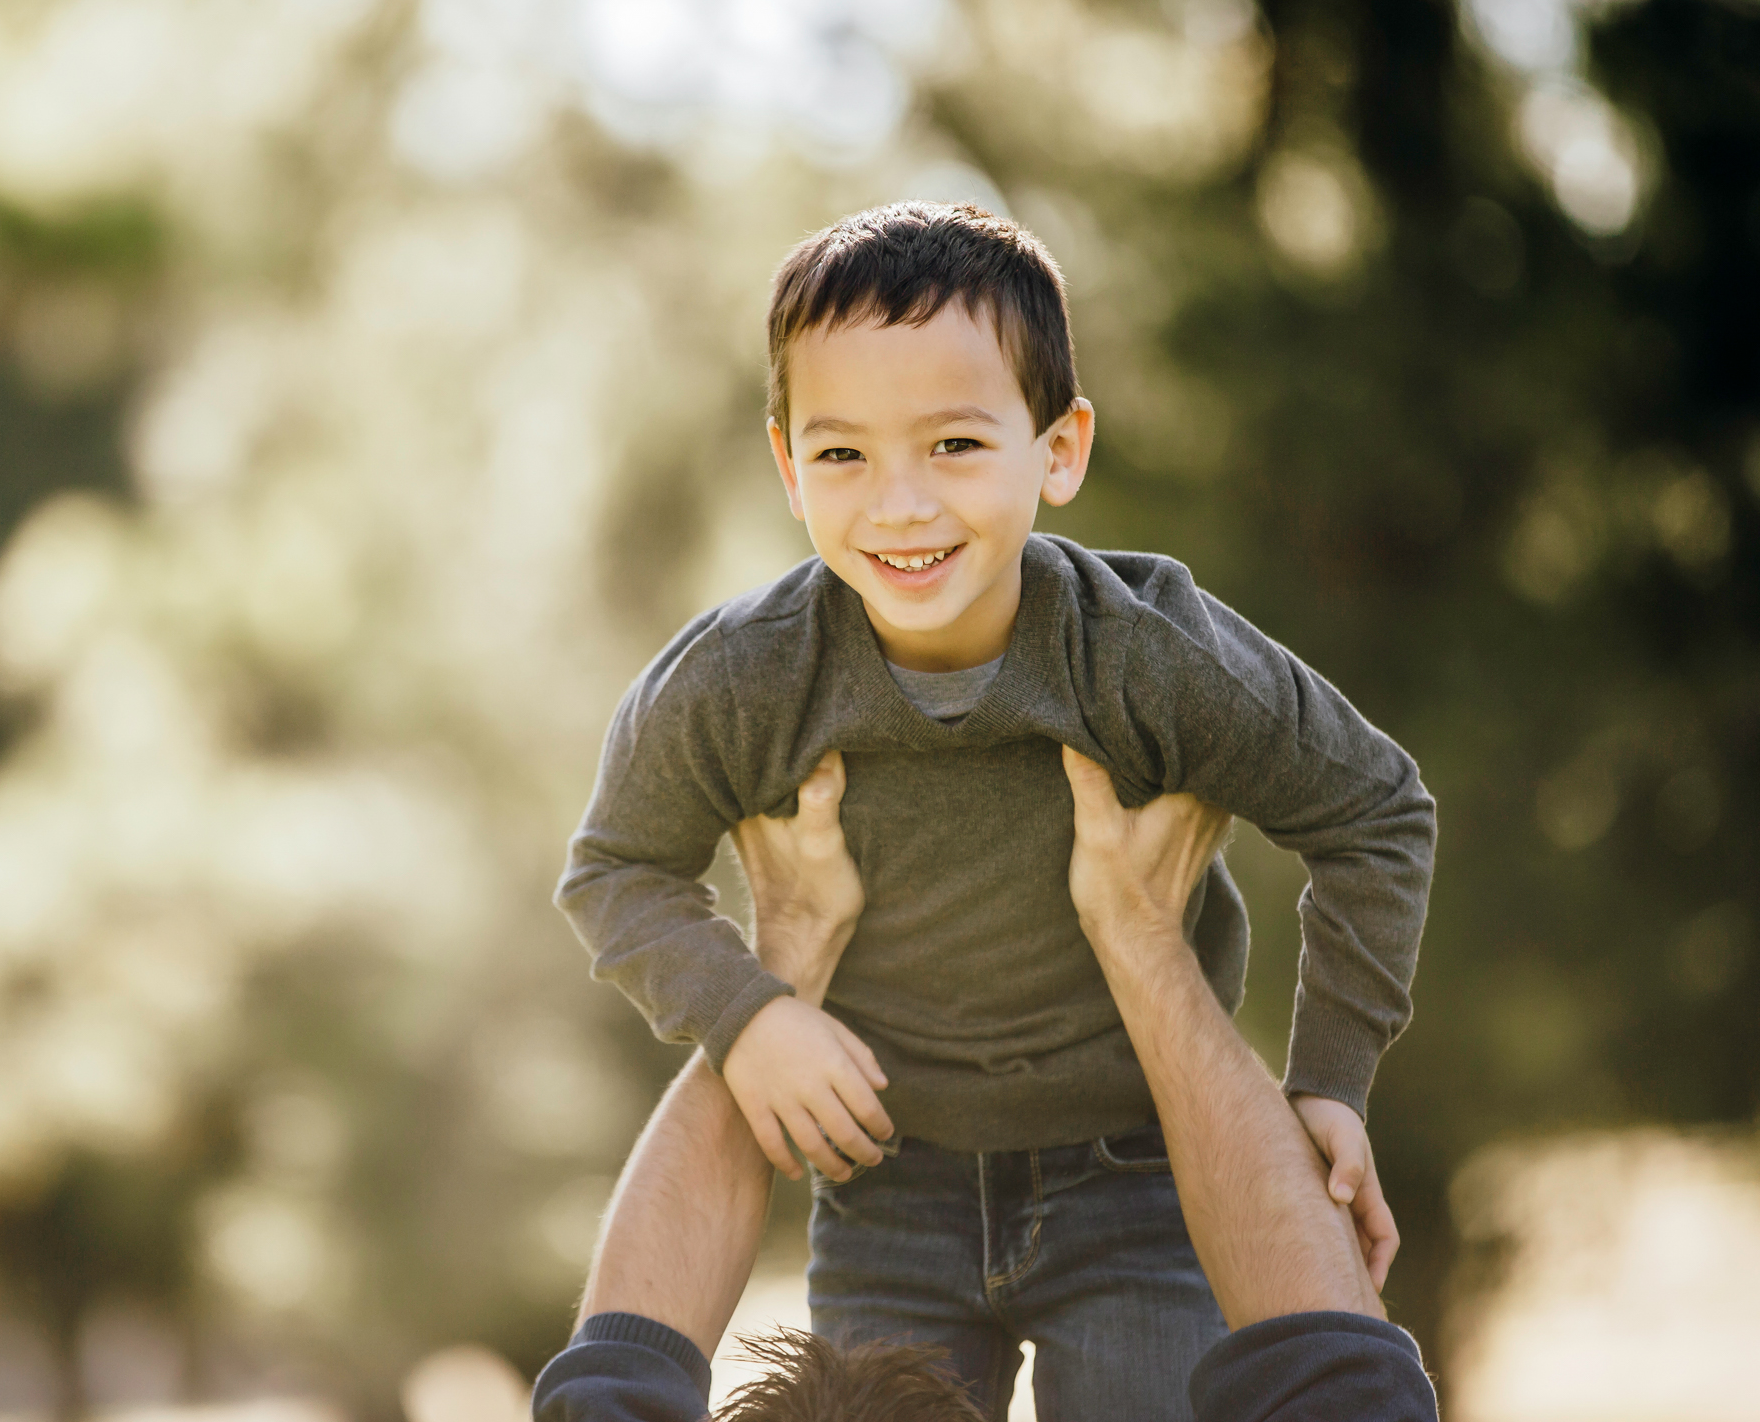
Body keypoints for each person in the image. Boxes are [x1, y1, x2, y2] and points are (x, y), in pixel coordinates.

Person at [556, 202, 1437, 1417]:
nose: (900, 505)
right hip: (886, 1177)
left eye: (956, 445)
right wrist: (749, 1018)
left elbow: (1377, 811)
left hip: (1142, 1177)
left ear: (1058, 449)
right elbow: (615, 871)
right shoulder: (745, 679)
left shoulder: (1146, 655)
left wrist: (1332, 1076)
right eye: (843, 454)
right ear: (786, 466)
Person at [532, 753, 1438, 1420]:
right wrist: (1144, 939)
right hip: (1001, 1169)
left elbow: (614, 1386)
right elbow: (1345, 1388)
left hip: (920, 1167)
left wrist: (770, 980)